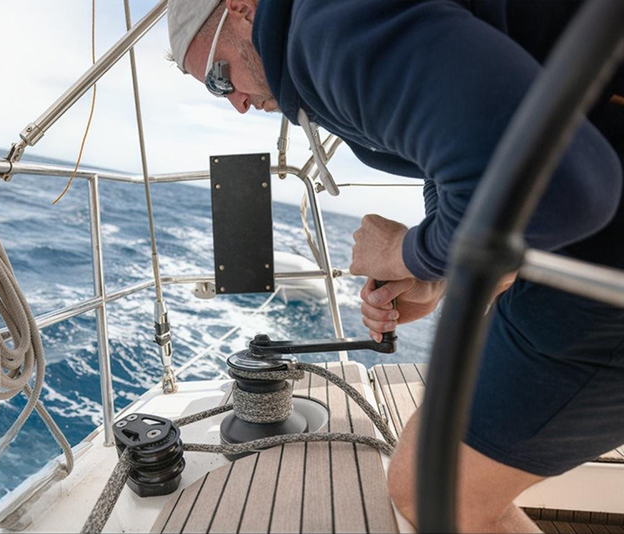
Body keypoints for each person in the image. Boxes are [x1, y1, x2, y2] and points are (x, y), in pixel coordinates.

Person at [167, 0, 624, 532]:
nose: (237, 103)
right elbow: (460, 147)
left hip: (603, 261)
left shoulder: (322, 35)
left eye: (220, 77)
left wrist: (409, 250)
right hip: (590, 234)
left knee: (427, 488)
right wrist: (436, 271)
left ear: (243, 9)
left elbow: (567, 191)